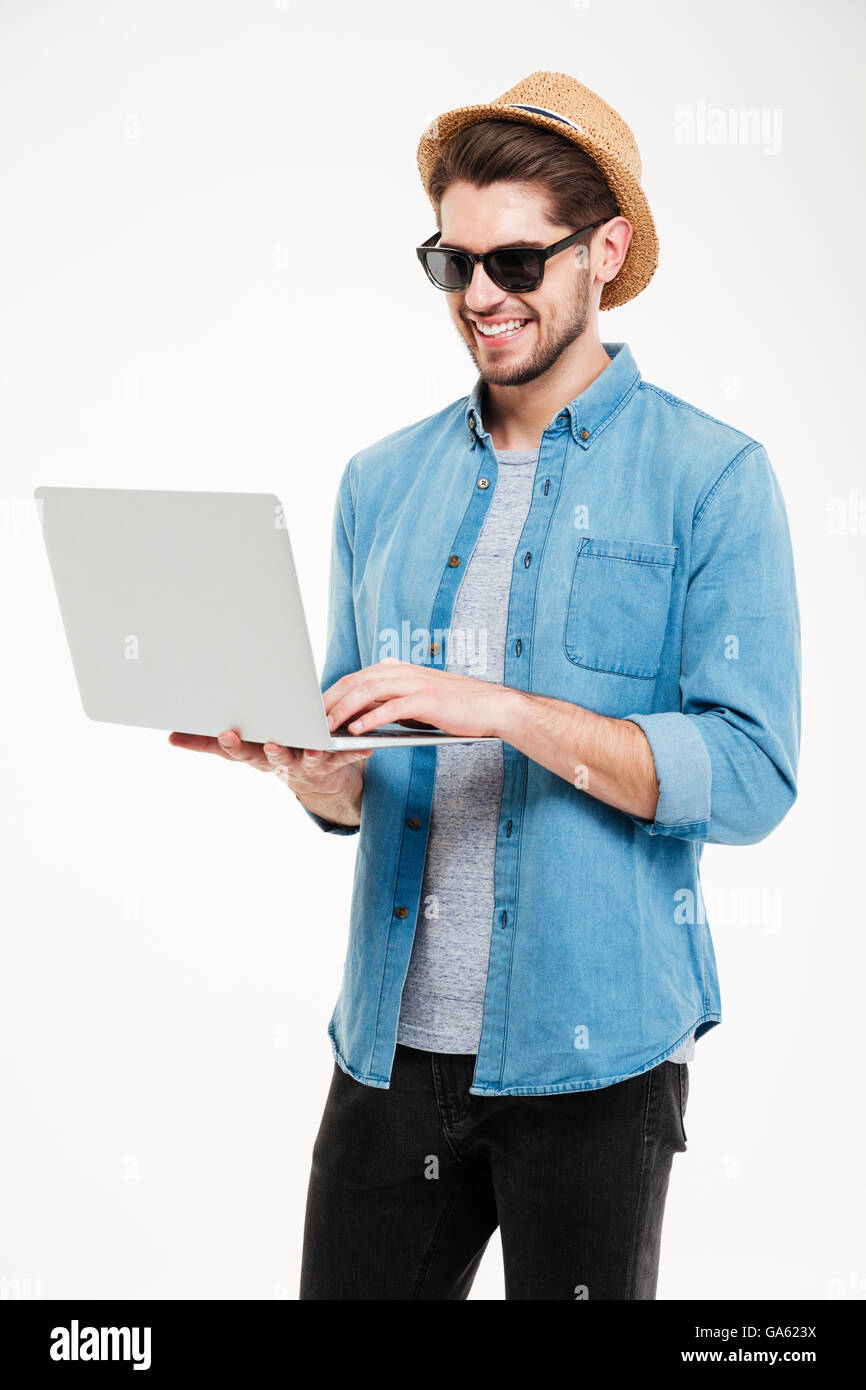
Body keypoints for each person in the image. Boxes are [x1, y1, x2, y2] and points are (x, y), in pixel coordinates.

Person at [170, 71, 801, 1300]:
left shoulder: (711, 478)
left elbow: (753, 773)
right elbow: (363, 790)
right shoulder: (378, 482)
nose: (477, 298)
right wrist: (313, 776)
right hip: (388, 1058)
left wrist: (502, 709)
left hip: (595, 1063)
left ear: (603, 250)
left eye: (514, 263)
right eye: (450, 262)